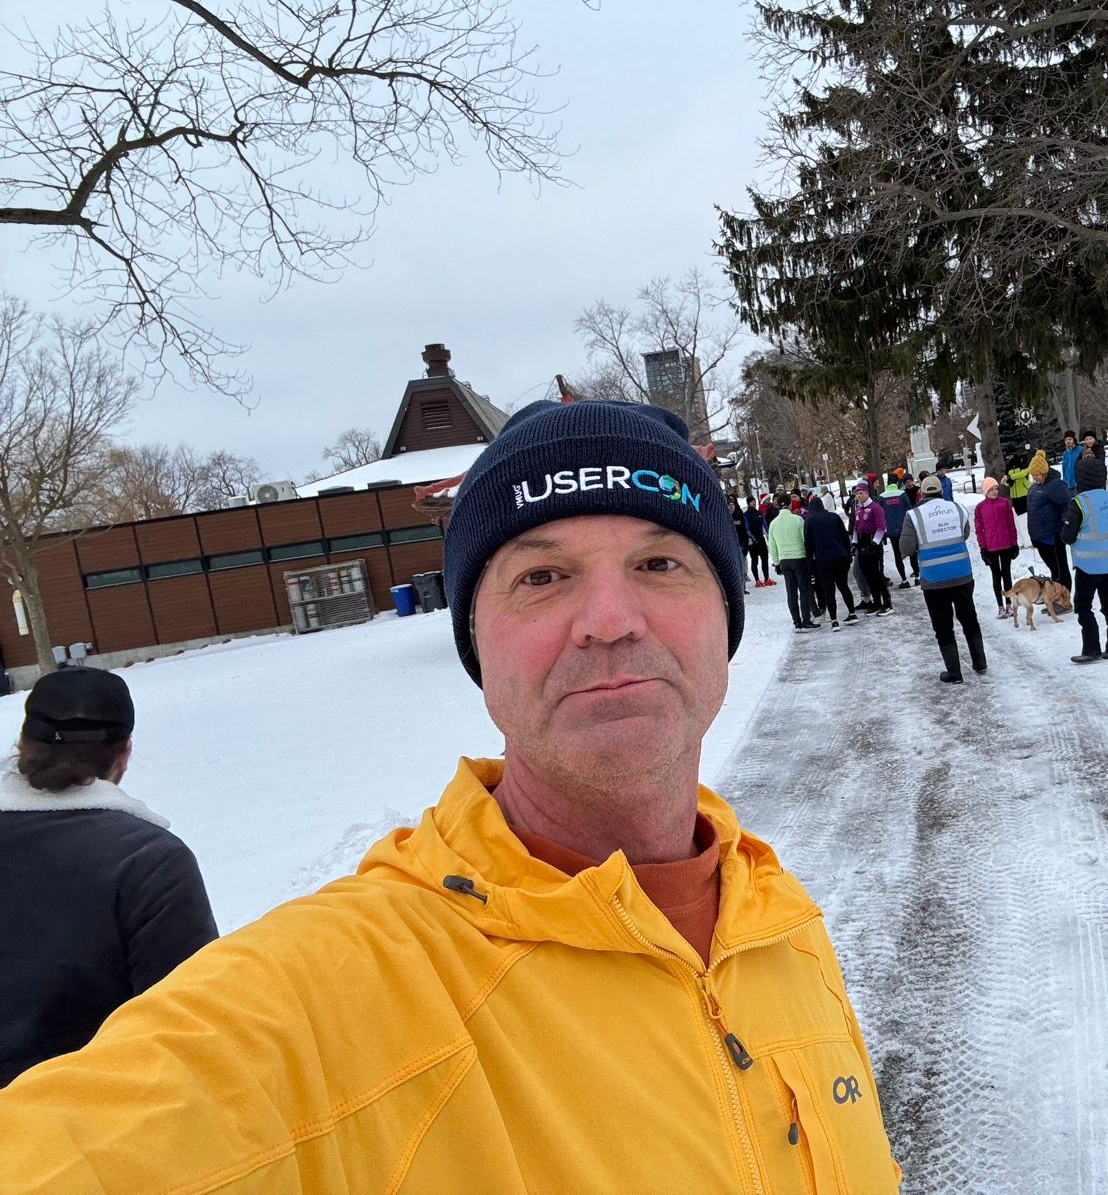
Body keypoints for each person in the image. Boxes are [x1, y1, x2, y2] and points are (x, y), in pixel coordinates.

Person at [0, 399, 902, 1194]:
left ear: (724, 614)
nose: (609, 621)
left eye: (661, 563)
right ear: (478, 640)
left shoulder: (777, 923)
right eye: (542, 577)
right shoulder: (337, 996)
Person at [1, 668, 217, 1089]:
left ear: (22, 744)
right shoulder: (149, 861)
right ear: (124, 754)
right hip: (77, 1116)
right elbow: (190, 1023)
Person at [900, 475, 986, 683]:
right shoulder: (957, 509)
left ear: (922, 493)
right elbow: (965, 534)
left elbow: (906, 548)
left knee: (943, 626)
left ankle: (954, 673)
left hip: (934, 580)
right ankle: (980, 662)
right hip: (962, 574)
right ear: (940, 490)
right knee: (969, 618)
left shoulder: (914, 515)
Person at [1063, 471, 1108, 664]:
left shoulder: (1079, 502)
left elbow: (1068, 535)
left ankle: (1091, 649)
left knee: (1083, 606)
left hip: (1087, 564)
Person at [804, 492, 858, 630]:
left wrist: (810, 564)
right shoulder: (834, 517)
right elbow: (845, 537)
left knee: (829, 590)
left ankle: (834, 621)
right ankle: (852, 613)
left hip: (823, 560)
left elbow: (808, 545)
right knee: (843, 586)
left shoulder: (810, 521)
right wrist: (848, 556)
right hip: (840, 557)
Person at [768, 494, 820, 631]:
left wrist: (777, 562)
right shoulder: (798, 520)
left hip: (784, 560)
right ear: (790, 504)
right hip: (799, 557)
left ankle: (796, 621)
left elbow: (772, 545)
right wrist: (810, 556)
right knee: (804, 589)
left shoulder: (773, 524)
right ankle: (806, 619)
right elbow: (805, 539)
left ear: (778, 505)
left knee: (791, 592)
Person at [1024, 449, 1074, 590]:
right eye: (1033, 475)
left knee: (1060, 569)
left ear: (1044, 472)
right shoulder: (1034, 488)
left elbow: (1067, 507)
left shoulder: (1056, 485)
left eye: (1037, 475)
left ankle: (1064, 596)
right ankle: (1056, 594)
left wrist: (1066, 527)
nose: (1035, 478)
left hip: (1053, 536)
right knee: (1053, 570)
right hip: (1040, 537)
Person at [973, 475, 1020, 618]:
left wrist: (1014, 543)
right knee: (996, 576)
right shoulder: (980, 508)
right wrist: (983, 549)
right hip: (991, 547)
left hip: (1006, 545)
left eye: (996, 489)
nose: (994, 492)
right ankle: (1000, 606)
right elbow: (979, 530)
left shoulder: (1004, 503)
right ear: (985, 491)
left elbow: (1011, 524)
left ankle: (1009, 604)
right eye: (991, 490)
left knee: (1006, 574)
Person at [851, 481, 895, 615]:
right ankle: (876, 603)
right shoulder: (858, 509)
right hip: (862, 546)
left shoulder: (876, 508)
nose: (858, 496)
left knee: (878, 576)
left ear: (866, 493)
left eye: (861, 493)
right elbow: (856, 528)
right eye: (857, 494)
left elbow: (881, 527)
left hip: (874, 547)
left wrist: (875, 543)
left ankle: (887, 604)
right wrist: (854, 543)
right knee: (868, 577)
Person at [878, 477, 917, 587]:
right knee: (912, 552)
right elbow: (910, 509)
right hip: (905, 528)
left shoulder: (881, 497)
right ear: (897, 483)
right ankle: (917, 577)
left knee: (897, 555)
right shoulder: (902, 494)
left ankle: (904, 580)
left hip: (891, 530)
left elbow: (880, 515)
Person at [740, 496, 773, 587]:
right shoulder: (746, 515)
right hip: (753, 541)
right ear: (748, 503)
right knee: (755, 561)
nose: (754, 503)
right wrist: (752, 538)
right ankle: (757, 580)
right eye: (751, 502)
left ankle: (766, 578)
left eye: (754, 501)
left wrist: (769, 534)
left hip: (761, 539)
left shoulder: (759, 513)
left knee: (765, 559)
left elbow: (764, 525)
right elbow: (746, 528)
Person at [728, 496, 751, 592]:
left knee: (741, 566)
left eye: (732, 505)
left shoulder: (739, 515)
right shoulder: (724, 517)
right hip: (729, 546)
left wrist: (746, 543)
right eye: (729, 505)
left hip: (740, 544)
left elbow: (744, 530)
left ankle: (742, 587)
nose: (731, 507)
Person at [1059, 431, 1083, 497]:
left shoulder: (1080, 450)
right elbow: (1064, 469)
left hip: (1078, 485)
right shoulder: (1065, 453)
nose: (1068, 441)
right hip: (1068, 486)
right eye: (1066, 440)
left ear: (1074, 439)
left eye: (1070, 439)